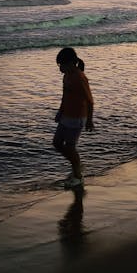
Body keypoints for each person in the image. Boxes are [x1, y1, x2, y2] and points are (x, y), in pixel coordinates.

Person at [53, 47, 94, 189]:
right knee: (57, 143)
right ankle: (77, 165)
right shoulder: (67, 76)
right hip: (66, 116)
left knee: (70, 147)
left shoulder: (80, 77)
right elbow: (65, 96)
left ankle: (78, 176)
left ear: (70, 63)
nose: (60, 69)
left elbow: (90, 101)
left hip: (77, 118)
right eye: (59, 66)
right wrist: (60, 111)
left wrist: (89, 120)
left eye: (61, 65)